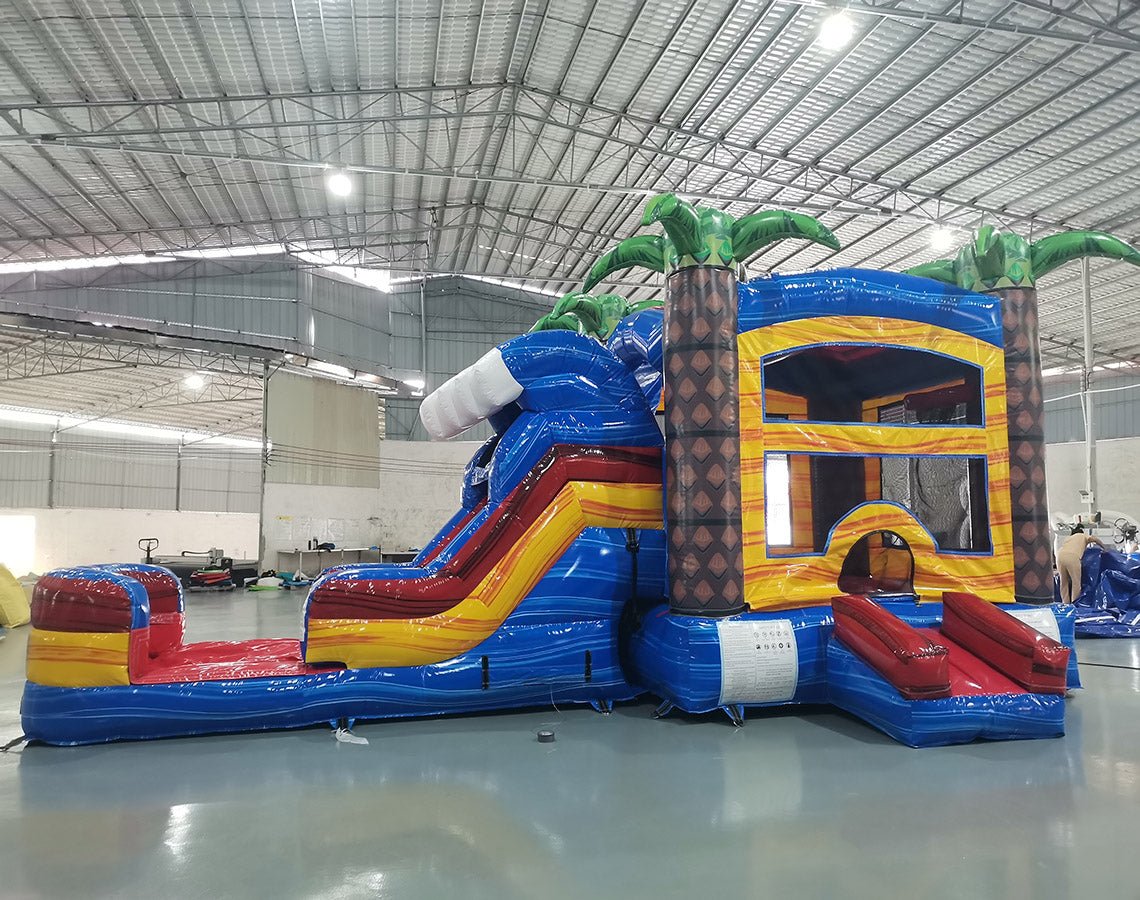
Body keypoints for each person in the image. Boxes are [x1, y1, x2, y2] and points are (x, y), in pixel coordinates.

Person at [1056, 531, 1104, 604]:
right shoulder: (1083, 535)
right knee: (1076, 582)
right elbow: (1095, 539)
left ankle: (1065, 604)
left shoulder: (1068, 538)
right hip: (1072, 556)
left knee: (1063, 582)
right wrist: (1104, 548)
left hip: (1060, 555)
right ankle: (1074, 603)